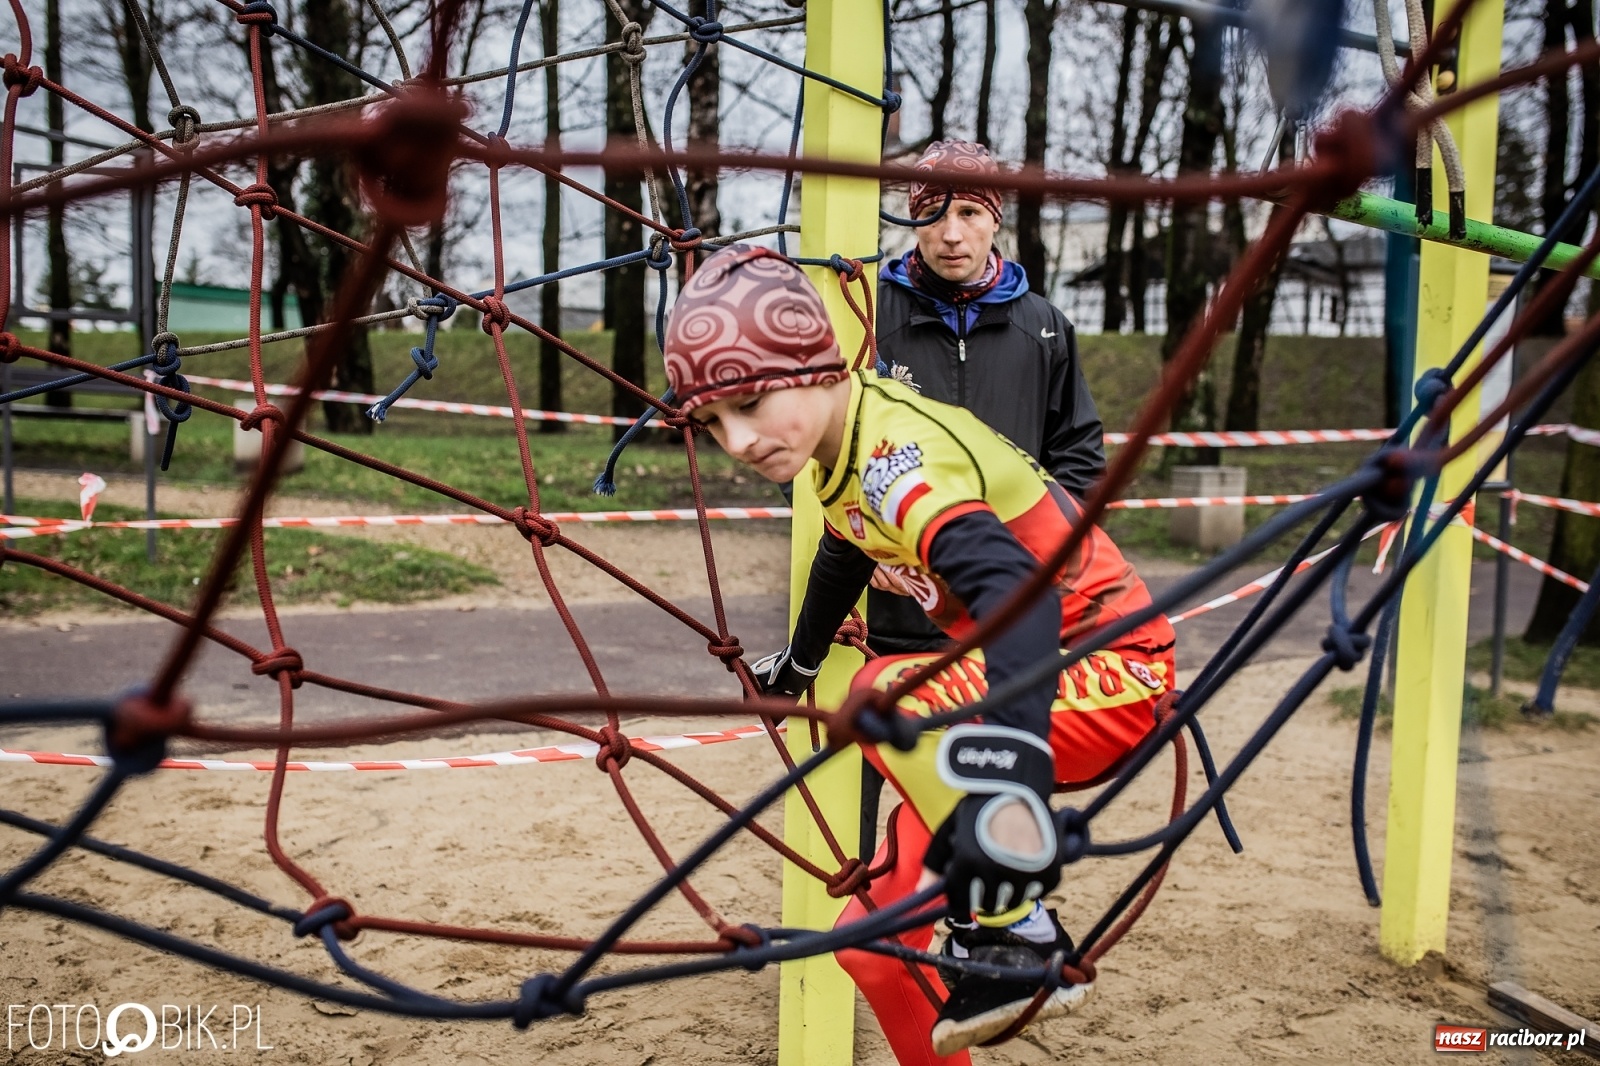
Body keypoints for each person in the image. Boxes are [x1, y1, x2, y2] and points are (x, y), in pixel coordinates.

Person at [663, 244, 1176, 1063]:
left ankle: (1019, 931)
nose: (737, 441)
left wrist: (1008, 785)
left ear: (816, 360)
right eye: (712, 423)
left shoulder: (895, 457)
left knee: (886, 691)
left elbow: (1023, 594)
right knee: (870, 941)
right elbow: (846, 548)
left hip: (1109, 672)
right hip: (1027, 678)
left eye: (752, 402)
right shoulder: (839, 454)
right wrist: (797, 663)